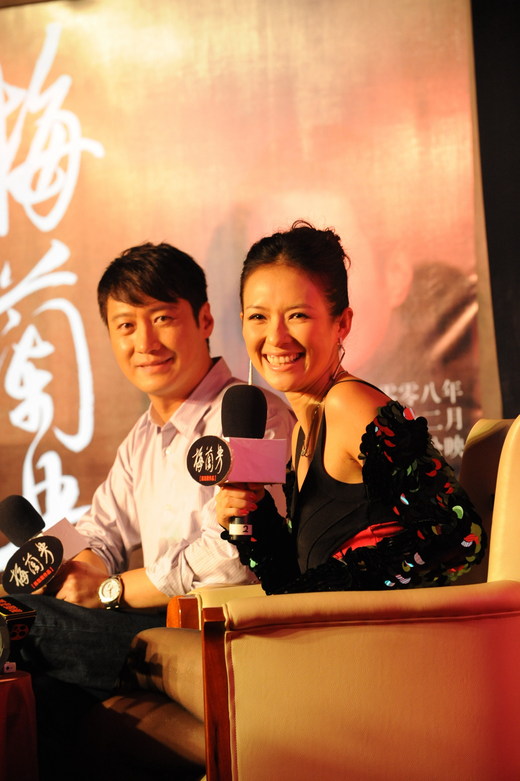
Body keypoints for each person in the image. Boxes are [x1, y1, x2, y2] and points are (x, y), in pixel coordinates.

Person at [12, 241, 294, 777]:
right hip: (151, 627)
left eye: (162, 318)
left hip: (224, 634)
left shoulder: (252, 415)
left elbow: (237, 557)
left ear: (205, 319)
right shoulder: (142, 438)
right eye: (126, 325)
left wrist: (112, 590)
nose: (145, 343)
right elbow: (101, 529)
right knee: (36, 691)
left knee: (18, 625)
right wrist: (82, 566)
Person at [215, 220, 486, 593]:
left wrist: (347, 589)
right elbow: (298, 583)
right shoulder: (303, 429)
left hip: (378, 631)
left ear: (341, 323)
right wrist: (255, 514)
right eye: (259, 317)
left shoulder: (349, 405)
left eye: (297, 315)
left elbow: (458, 537)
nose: (275, 337)